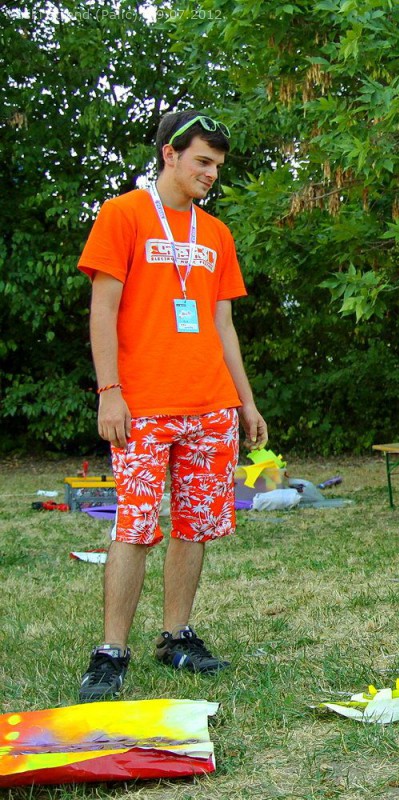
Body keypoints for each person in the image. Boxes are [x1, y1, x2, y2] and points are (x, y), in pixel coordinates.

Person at [76, 110, 268, 701]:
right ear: (169, 154)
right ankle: (111, 651)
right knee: (135, 527)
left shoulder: (216, 234)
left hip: (210, 405)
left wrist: (246, 401)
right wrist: (110, 391)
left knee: (194, 527)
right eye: (202, 161)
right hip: (142, 404)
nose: (211, 174)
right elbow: (103, 310)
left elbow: (223, 324)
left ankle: (176, 637)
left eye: (218, 165)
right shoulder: (123, 214)